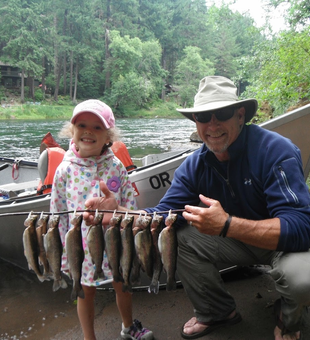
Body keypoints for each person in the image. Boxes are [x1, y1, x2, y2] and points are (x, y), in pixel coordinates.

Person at [83, 76, 310, 340]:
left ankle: (289, 321)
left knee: (302, 280)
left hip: (283, 245)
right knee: (177, 235)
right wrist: (120, 214)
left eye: (222, 113)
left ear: (240, 115)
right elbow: (164, 215)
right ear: (196, 123)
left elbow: (302, 227)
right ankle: (217, 311)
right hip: (236, 240)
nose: (212, 124)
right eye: (203, 117)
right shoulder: (194, 166)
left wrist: (227, 224)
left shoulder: (275, 150)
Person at [50, 99, 154, 340]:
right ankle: (89, 337)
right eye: (82, 125)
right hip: (82, 248)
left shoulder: (117, 166)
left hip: (117, 242)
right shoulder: (63, 171)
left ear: (109, 136)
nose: (88, 131)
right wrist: (64, 253)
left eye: (97, 127)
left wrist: (135, 236)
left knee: (123, 284)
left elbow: (129, 203)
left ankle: (129, 327)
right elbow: (58, 213)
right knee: (85, 292)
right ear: (71, 131)